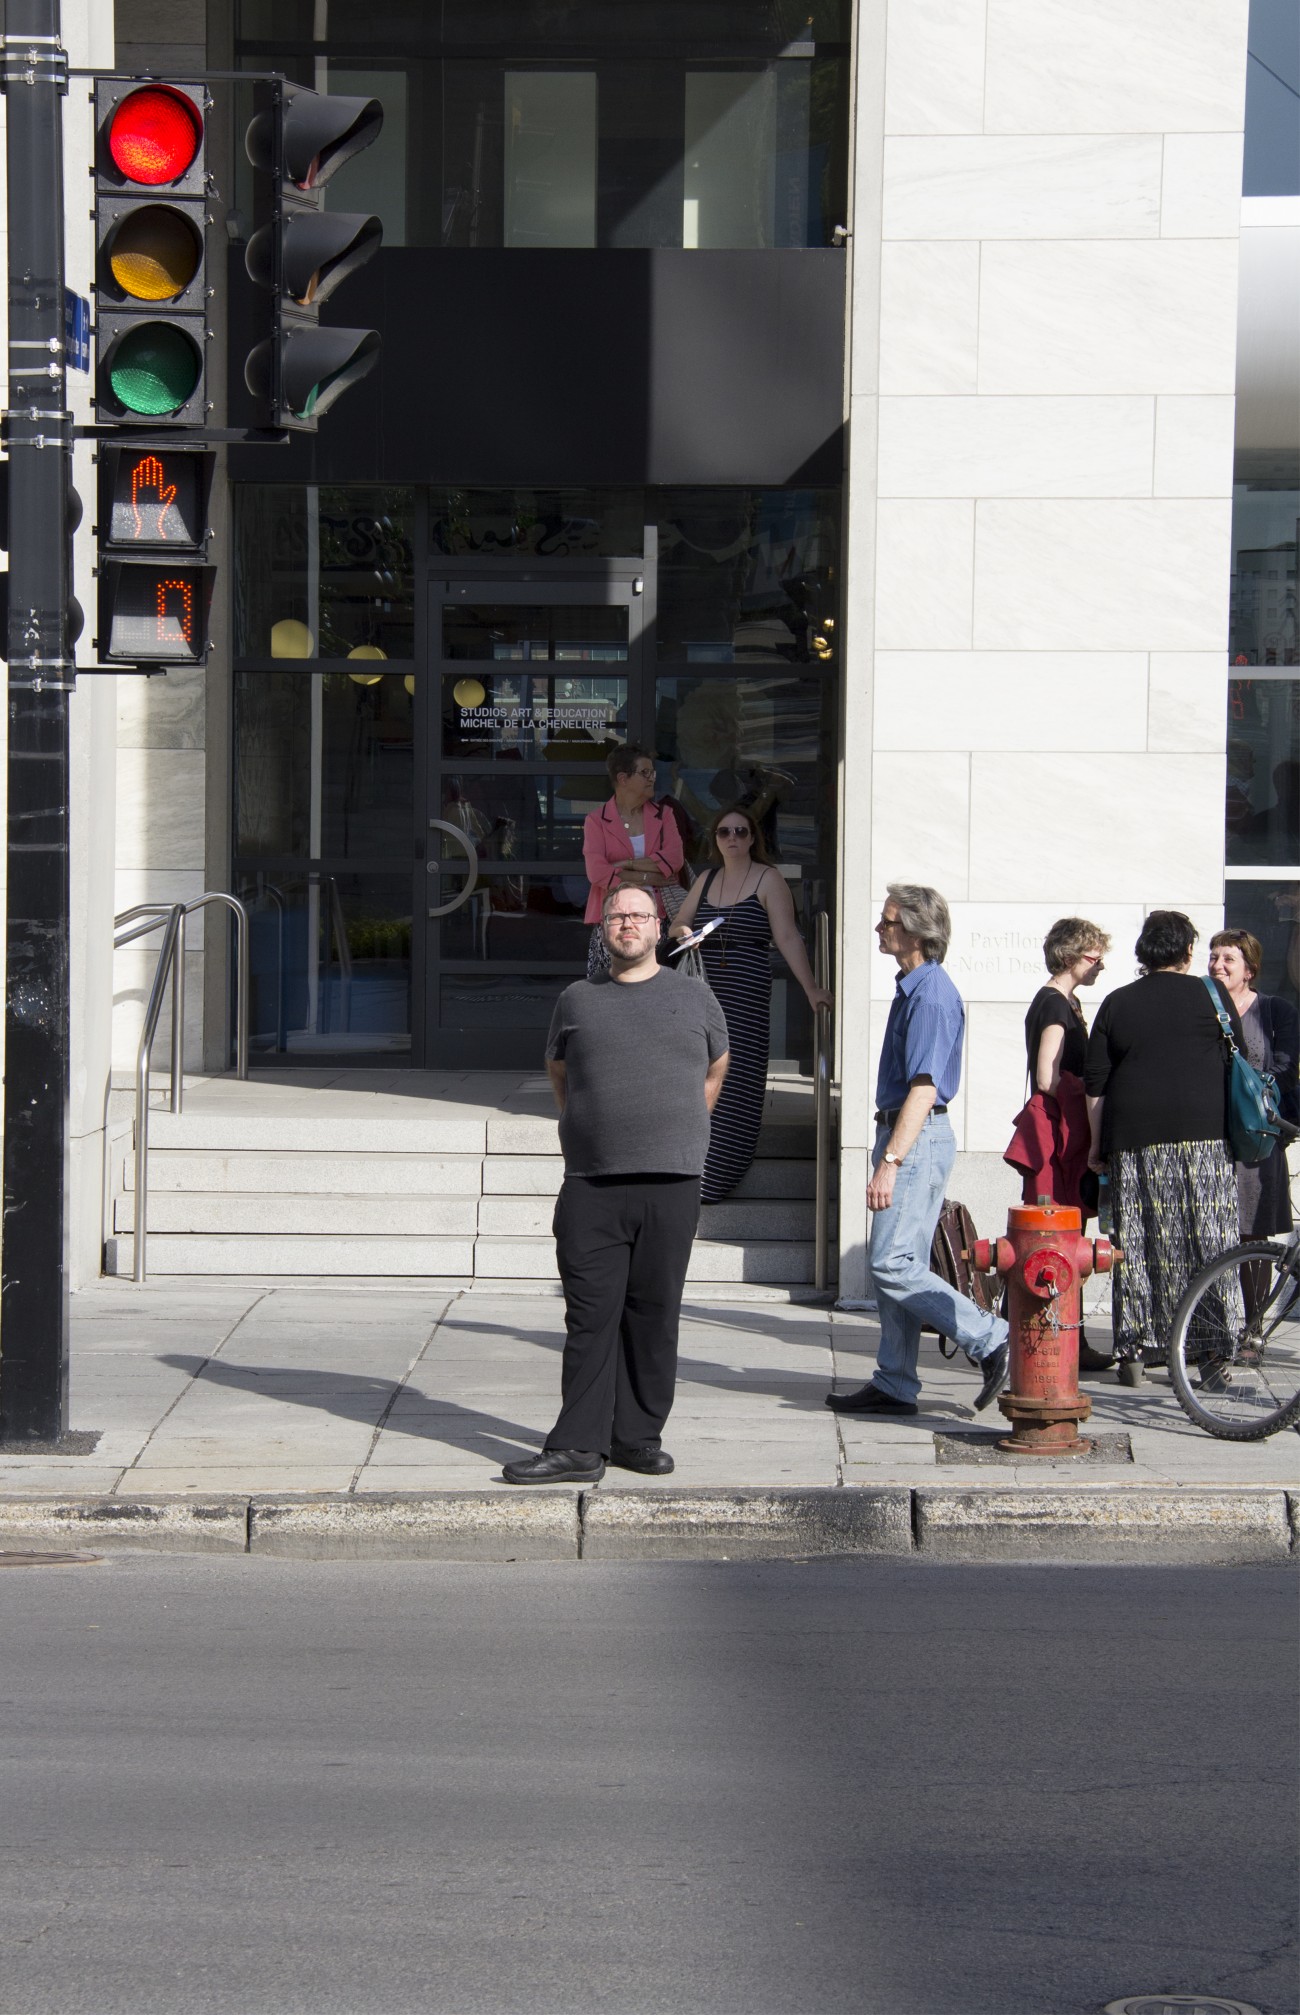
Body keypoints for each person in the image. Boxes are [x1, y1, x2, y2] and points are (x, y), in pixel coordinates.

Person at [503, 884, 730, 1486]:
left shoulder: (695, 997)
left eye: (638, 915)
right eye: (616, 916)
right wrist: (587, 1125)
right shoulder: (577, 999)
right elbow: (559, 1072)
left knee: (654, 1318)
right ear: (603, 929)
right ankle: (578, 1446)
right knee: (590, 1318)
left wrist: (681, 1121)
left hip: (671, 1183)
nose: (627, 924)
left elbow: (716, 1066)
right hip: (592, 1185)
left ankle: (636, 1437)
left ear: (660, 927)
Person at [825, 884, 1010, 1418]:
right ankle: (896, 1381)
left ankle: (991, 1337)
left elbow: (925, 1088)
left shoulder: (930, 995)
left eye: (887, 921)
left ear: (916, 931)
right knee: (896, 1263)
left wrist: (890, 1161)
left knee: (892, 1263)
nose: (879, 930)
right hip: (909, 1135)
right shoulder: (915, 988)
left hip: (916, 1137)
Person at [1085, 910, 1243, 1385]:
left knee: (1139, 1241)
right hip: (1206, 1139)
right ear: (1189, 951)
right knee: (1210, 1241)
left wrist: (1097, 1145)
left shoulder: (1117, 1003)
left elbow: (1097, 1083)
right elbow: (1239, 1061)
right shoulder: (1211, 996)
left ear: (1144, 950)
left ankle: (1135, 1353)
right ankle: (1214, 1354)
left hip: (1135, 1140)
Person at [667, 803, 833, 1203]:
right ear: (716, 839)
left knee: (736, 1076)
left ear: (753, 838)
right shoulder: (706, 879)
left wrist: (811, 988)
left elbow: (788, 937)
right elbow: (676, 924)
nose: (734, 839)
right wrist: (687, 930)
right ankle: (687, 1164)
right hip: (704, 989)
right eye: (725, 832)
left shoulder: (767, 879)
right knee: (699, 1072)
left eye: (742, 832)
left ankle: (718, 1173)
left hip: (746, 990)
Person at [1005, 916, 1114, 1371]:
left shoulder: (1062, 1002)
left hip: (1061, 1131)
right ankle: (1058, 1339)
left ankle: (1069, 1336)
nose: (1101, 966)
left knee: (1065, 1233)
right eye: (1094, 957)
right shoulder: (1054, 1005)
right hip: (1056, 1135)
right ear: (1071, 956)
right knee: (1059, 1235)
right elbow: (1048, 1075)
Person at [1206, 928, 1298, 1239]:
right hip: (1210, 1135)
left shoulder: (1276, 1010)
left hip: (1256, 1135)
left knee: (1254, 1236)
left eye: (1228, 958)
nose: (1218, 964)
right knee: (1212, 1235)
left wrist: (1251, 1092)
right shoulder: (1200, 1010)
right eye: (1214, 956)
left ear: (1250, 970)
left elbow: (1286, 1071)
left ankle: (1257, 1293)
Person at [581, 744, 683, 977]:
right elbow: (597, 873)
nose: (652, 778)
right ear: (623, 778)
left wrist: (626, 864)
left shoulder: (664, 815)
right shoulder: (596, 821)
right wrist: (650, 876)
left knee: (656, 991)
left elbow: (675, 860)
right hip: (614, 921)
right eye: (645, 773)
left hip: (657, 921)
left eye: (652, 772)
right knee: (610, 992)